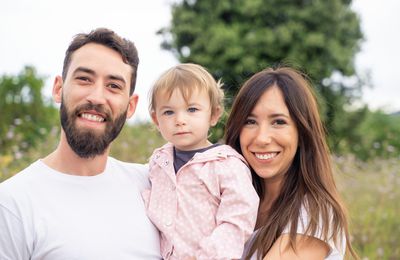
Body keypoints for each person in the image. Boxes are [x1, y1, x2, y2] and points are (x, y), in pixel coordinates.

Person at [0, 28, 161, 259]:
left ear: (131, 107)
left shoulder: (153, 187)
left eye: (114, 86)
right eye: (84, 79)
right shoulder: (12, 204)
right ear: (58, 88)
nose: (96, 97)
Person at [225, 67, 357, 259]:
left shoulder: (315, 215)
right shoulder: (229, 201)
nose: (262, 138)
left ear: (302, 132)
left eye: (278, 122)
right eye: (250, 121)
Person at [142, 63, 259, 259]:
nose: (180, 120)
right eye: (169, 112)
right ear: (156, 120)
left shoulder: (226, 164)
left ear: (213, 115)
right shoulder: (158, 163)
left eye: (192, 109)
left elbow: (238, 217)